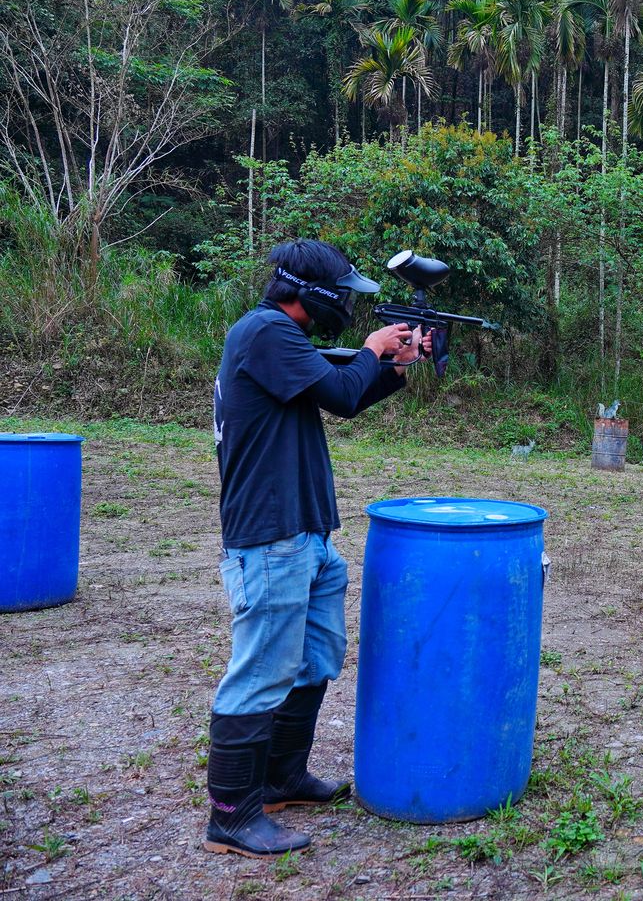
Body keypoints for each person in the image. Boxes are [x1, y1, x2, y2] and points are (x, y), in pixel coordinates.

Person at [206, 239, 431, 859]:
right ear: (308, 292)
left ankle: (281, 780)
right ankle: (230, 815)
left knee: (313, 660)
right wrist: (373, 348)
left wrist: (393, 366)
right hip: (271, 537)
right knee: (260, 673)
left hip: (306, 534)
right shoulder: (265, 332)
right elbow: (338, 387)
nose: (349, 307)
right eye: (343, 296)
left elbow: (345, 396)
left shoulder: (280, 339)